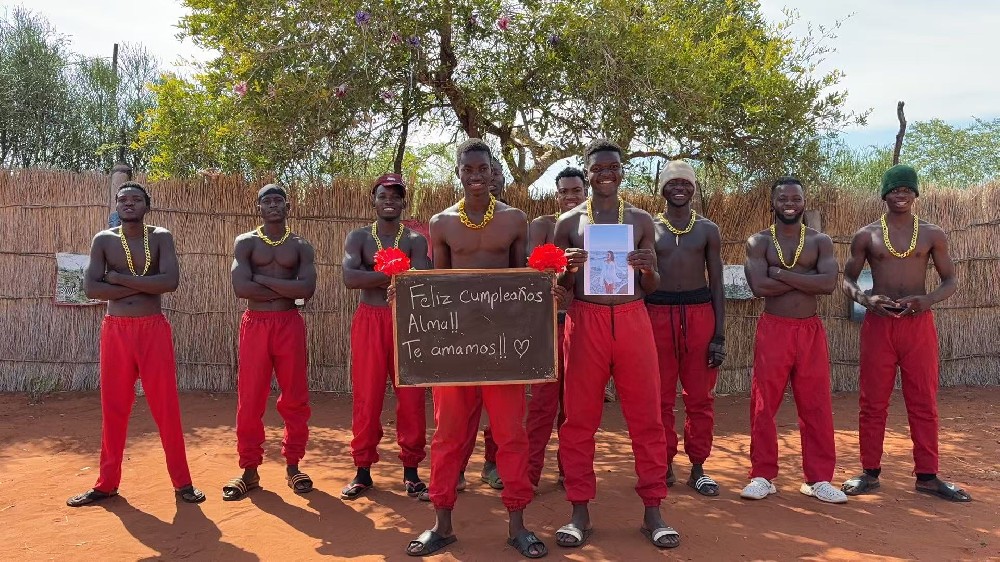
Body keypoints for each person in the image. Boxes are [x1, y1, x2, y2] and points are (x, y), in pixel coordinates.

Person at [405, 139, 546, 558]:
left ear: (493, 171)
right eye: (468, 169)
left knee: (511, 435)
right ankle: (442, 524)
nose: (476, 176)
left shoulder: (515, 219)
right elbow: (440, 288)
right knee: (448, 436)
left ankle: (518, 524)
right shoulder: (442, 223)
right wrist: (407, 297)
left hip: (504, 348)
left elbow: (522, 282)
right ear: (459, 173)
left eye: (482, 168)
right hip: (456, 348)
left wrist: (547, 290)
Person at [553, 139, 678, 550]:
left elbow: (652, 284)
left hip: (632, 318)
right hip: (585, 320)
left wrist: (648, 269)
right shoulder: (568, 222)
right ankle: (579, 511)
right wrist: (568, 270)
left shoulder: (640, 220)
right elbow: (561, 289)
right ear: (587, 172)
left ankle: (653, 510)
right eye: (598, 168)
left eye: (613, 167)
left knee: (647, 416)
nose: (606, 174)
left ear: (622, 171)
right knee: (578, 419)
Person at [67, 181, 205, 507]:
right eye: (123, 199)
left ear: (147, 205)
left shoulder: (160, 237)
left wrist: (117, 279)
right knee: (113, 407)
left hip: (152, 330)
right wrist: (145, 285)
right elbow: (91, 289)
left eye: (136, 199)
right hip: (116, 331)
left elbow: (170, 282)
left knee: (165, 407)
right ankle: (106, 484)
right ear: (116, 206)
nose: (129, 203)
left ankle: (183, 482)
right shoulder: (103, 240)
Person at [840, 165, 970, 502]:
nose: (901, 195)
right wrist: (866, 300)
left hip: (918, 325)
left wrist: (927, 300)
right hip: (879, 325)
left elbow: (950, 280)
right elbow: (847, 279)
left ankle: (927, 476)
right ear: (885, 194)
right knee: (872, 402)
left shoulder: (931, 234)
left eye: (907, 189)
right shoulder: (866, 235)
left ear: (915, 194)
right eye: (895, 189)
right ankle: (869, 472)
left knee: (923, 400)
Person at [741, 177, 847, 504]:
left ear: (804, 202)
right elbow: (759, 287)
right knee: (764, 403)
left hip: (809, 331)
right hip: (774, 329)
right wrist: (807, 279)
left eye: (796, 198)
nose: (790, 203)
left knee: (816, 404)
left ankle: (818, 479)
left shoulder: (820, 241)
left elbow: (828, 284)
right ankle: (762, 475)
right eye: (783, 198)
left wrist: (781, 274)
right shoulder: (759, 242)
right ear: (772, 203)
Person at [340, 173, 432, 500]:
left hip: (406, 321)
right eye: (383, 195)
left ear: (404, 201)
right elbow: (350, 278)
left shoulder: (416, 240)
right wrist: (393, 275)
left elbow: (421, 279)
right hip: (370, 320)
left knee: (411, 396)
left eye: (395, 196)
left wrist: (375, 276)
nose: (389, 201)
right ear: (373, 200)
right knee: (367, 396)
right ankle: (363, 470)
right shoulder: (359, 237)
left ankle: (411, 471)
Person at [223, 184, 317, 501]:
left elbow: (306, 289)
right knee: (250, 398)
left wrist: (260, 278)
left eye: (279, 201)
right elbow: (241, 288)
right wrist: (286, 286)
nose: (273, 205)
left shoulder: (301, 246)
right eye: (267, 201)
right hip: (256, 325)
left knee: (295, 397)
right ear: (258, 208)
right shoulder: (245, 242)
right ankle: (249, 470)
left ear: (288, 207)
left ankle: (293, 466)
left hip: (289, 324)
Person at [646, 161, 726, 497]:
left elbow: (717, 282)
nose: (679, 188)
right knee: (660, 397)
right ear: (662, 188)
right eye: (672, 182)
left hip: (699, 314)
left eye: (686, 183)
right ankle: (663, 463)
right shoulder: (648, 228)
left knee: (700, 396)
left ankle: (698, 467)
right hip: (656, 313)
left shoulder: (708, 229)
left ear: (694, 188)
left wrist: (719, 334)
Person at [523, 166, 587, 489]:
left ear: (586, 192)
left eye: (576, 191)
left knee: (574, 406)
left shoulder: (598, 227)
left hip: (582, 322)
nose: (570, 197)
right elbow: (529, 274)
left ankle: (569, 471)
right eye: (564, 191)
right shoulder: (542, 226)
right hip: (547, 326)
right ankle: (530, 474)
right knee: (542, 404)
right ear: (556, 194)